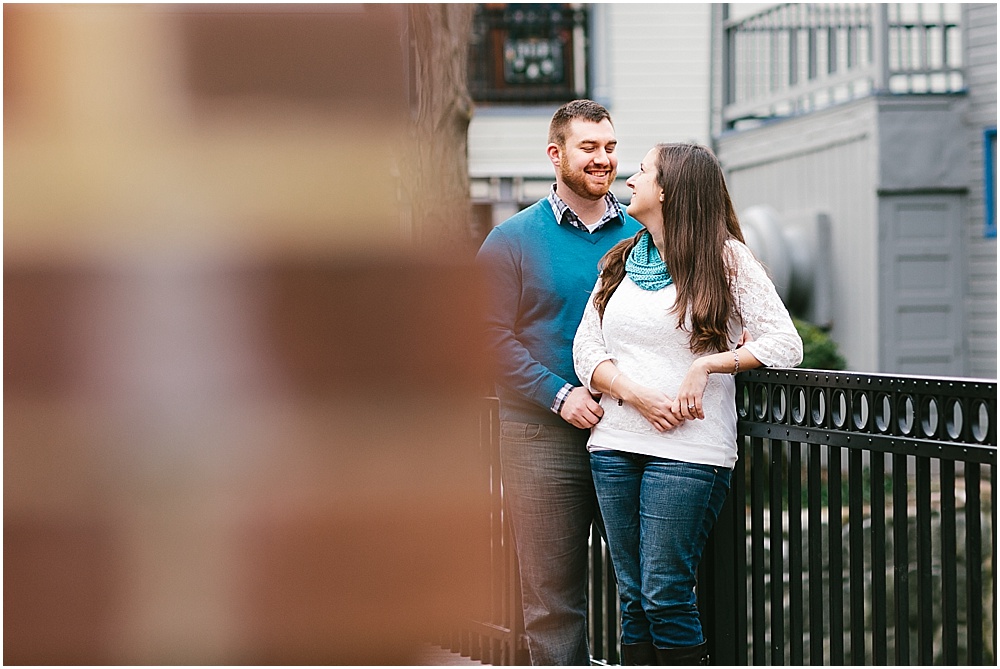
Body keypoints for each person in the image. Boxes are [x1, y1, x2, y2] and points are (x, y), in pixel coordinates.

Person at [572, 143, 803, 665]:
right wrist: (636, 395)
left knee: (664, 594)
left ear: (669, 189)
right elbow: (586, 348)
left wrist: (706, 365)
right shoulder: (622, 260)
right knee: (632, 598)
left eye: (642, 171)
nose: (629, 180)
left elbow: (785, 344)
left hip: (689, 452)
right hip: (613, 445)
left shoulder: (726, 259)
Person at [475, 99, 642, 665]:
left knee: (645, 590)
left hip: (634, 432)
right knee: (552, 601)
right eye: (588, 148)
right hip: (542, 436)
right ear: (556, 154)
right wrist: (558, 393)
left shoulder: (646, 234)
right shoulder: (512, 240)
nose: (603, 160)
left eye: (611, 147)